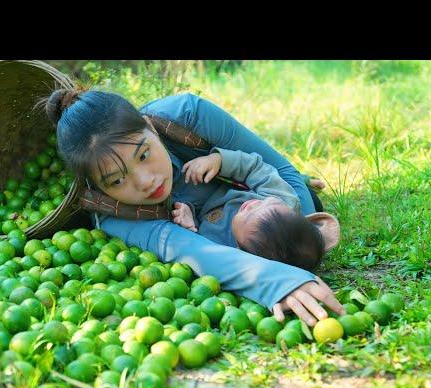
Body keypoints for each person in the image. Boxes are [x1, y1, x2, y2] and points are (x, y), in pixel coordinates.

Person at [44, 89, 345, 325]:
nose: (146, 182)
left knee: (305, 194)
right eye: (117, 180)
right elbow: (195, 251)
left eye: (144, 155)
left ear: (149, 124)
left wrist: (295, 239)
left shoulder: (187, 114)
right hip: (225, 214)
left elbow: (277, 169)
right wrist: (278, 281)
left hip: (241, 190)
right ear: (97, 187)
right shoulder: (116, 217)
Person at [172, 147, 340, 272]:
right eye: (263, 203)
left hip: (193, 200)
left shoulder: (223, 247)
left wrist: (188, 218)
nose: (252, 204)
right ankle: (304, 182)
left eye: (248, 215)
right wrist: (219, 160)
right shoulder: (283, 199)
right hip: (225, 180)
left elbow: (195, 246)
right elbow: (255, 169)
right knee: (304, 195)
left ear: (241, 249)